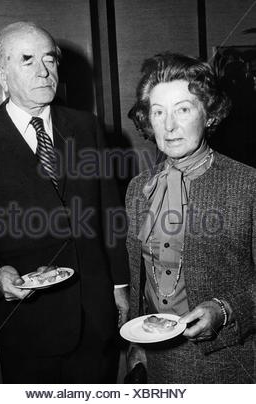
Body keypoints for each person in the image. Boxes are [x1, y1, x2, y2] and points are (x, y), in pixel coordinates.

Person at [0, 21, 129, 383]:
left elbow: (111, 212)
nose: (43, 70)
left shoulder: (86, 127)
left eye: (49, 58)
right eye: (27, 60)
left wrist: (119, 286)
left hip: (94, 316)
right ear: (2, 74)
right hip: (27, 324)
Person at [125, 52, 255, 383]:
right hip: (159, 360)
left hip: (228, 364)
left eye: (183, 109)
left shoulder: (247, 185)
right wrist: (137, 347)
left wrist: (225, 309)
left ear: (209, 114)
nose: (169, 126)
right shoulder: (139, 188)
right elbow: (141, 279)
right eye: (158, 112)